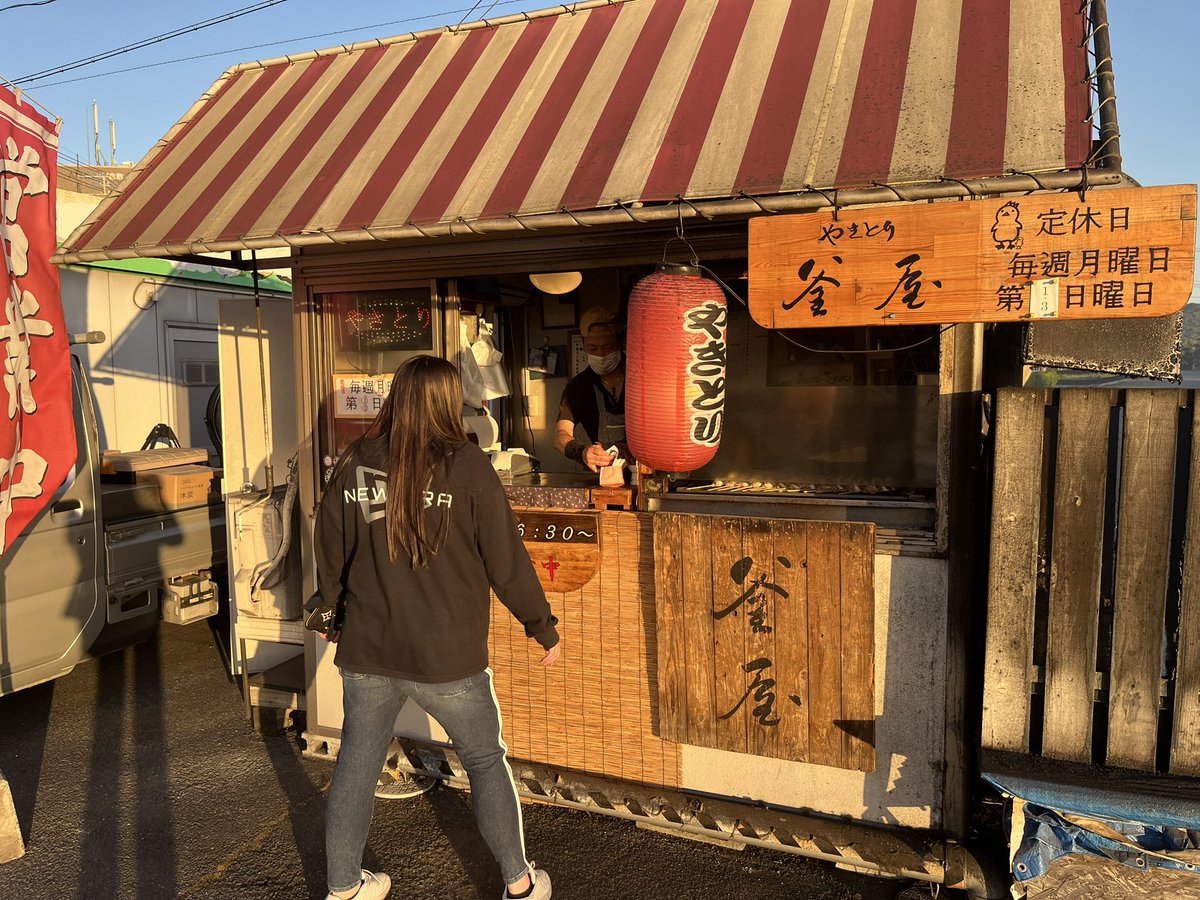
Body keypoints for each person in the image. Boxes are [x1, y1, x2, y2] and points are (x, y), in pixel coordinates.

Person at [317, 355, 562, 900]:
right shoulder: (468, 467)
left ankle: (343, 889)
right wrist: (541, 626)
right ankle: (520, 885)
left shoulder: (357, 461)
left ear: (398, 397)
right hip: (448, 657)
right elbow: (507, 559)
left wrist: (325, 611)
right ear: (449, 401)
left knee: (358, 763)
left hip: (368, 650)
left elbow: (329, 548)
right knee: (482, 760)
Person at [554, 307, 631, 472]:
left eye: (607, 346)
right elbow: (560, 435)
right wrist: (581, 452)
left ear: (621, 342)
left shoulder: (642, 378)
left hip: (646, 476)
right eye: (593, 348)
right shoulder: (579, 386)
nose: (601, 354)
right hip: (603, 478)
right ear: (583, 345)